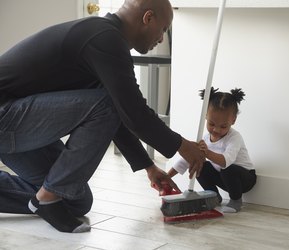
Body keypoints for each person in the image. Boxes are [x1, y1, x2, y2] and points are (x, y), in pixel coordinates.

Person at [0, 0, 206, 233]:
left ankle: (47, 198)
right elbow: (133, 112)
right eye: (164, 29)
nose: (161, 38)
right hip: (5, 116)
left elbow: (118, 113)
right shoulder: (104, 38)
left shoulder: (104, 39)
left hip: (16, 125)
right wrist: (181, 145)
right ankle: (46, 200)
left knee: (75, 199)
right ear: (148, 18)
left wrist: (149, 166)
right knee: (58, 190)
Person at [167, 87, 257, 213]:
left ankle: (236, 200)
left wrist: (207, 153)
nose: (216, 130)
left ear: (233, 120)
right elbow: (186, 160)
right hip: (224, 177)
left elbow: (226, 161)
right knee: (199, 164)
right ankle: (213, 196)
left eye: (223, 126)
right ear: (206, 116)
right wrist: (167, 176)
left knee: (227, 169)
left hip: (244, 179)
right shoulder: (205, 139)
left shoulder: (234, 138)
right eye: (212, 124)